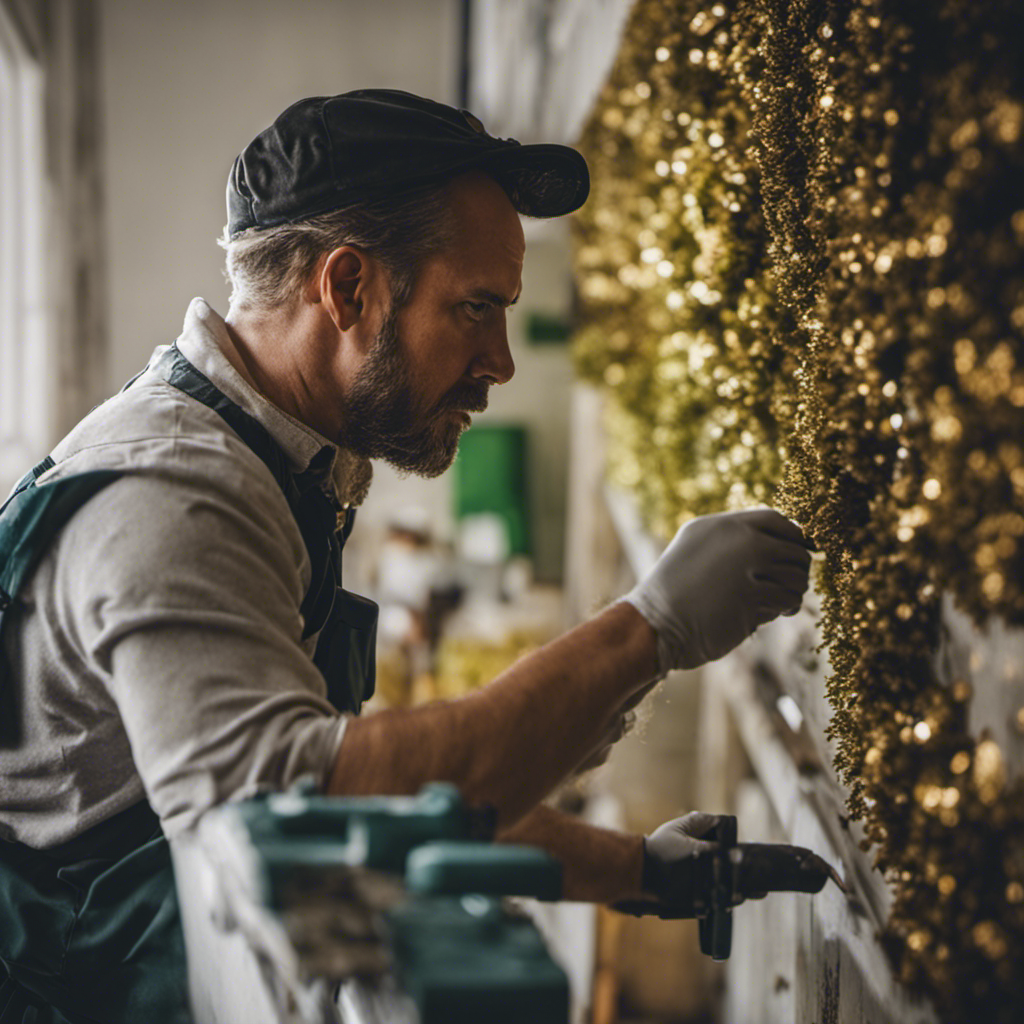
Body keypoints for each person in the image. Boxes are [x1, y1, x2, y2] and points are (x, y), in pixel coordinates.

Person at [0, 90, 826, 1023]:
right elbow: (308, 806)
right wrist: (648, 632)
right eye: (475, 307)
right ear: (347, 287)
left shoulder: (276, 459)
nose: (502, 361)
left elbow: (365, 786)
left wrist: (637, 873)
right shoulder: (177, 498)